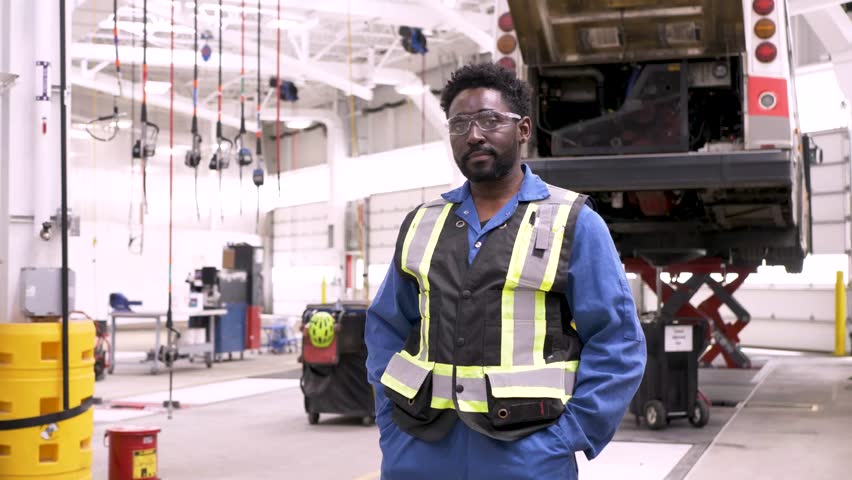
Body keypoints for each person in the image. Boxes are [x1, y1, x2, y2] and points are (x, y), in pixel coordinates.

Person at [365, 62, 647, 479]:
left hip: (527, 452)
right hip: (419, 448)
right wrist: (389, 420)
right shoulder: (423, 223)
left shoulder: (573, 222)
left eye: (489, 120)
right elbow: (386, 327)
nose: (474, 134)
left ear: (524, 129)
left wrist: (569, 436)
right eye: (459, 124)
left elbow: (617, 341)